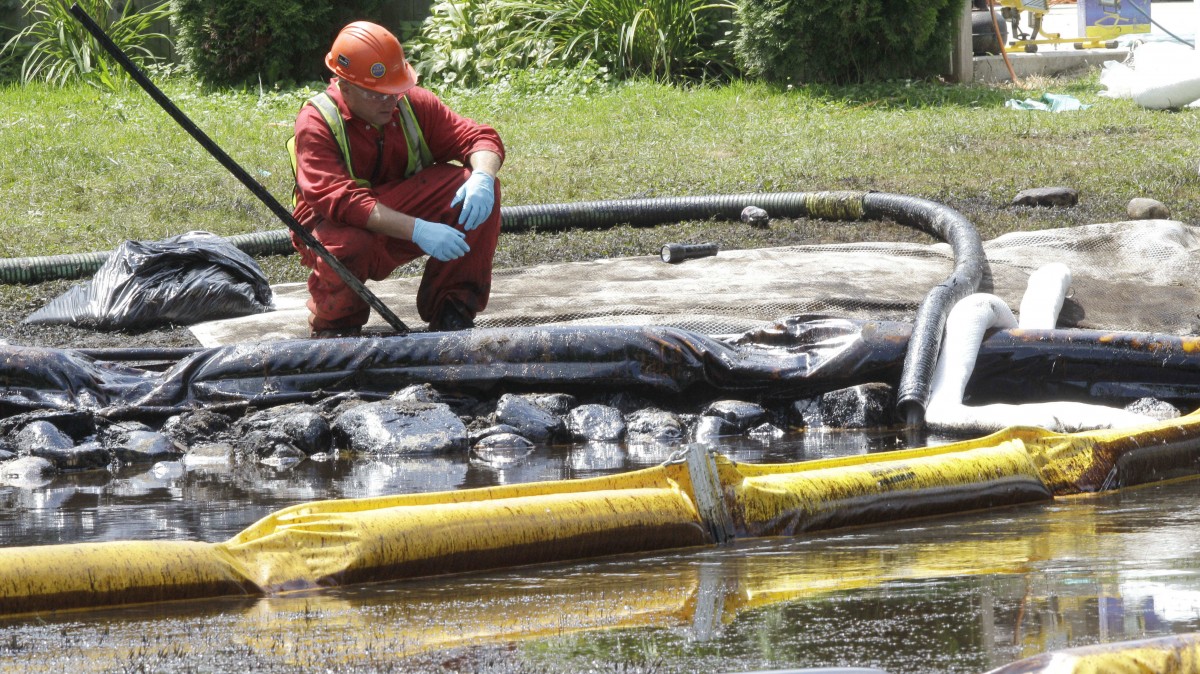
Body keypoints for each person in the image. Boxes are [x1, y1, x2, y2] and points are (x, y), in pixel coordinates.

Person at [290, 20, 504, 338]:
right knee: (350, 245)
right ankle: (336, 325)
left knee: (473, 189)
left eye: (394, 91)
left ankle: (452, 310)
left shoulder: (410, 104)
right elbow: (343, 202)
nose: (390, 103)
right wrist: (418, 230)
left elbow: (478, 137)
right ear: (344, 86)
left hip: (389, 206)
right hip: (332, 224)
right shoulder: (316, 122)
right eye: (377, 95)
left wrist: (484, 176)